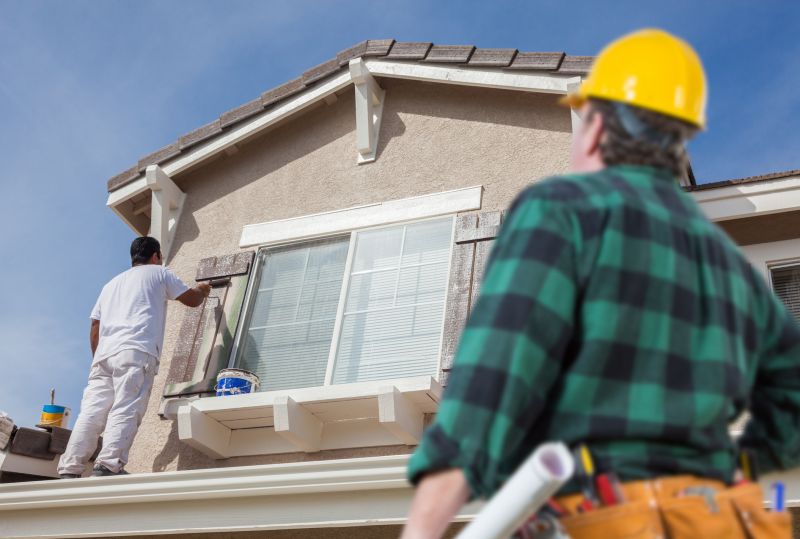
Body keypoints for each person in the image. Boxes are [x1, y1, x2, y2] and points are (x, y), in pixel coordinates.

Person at [401, 29, 800, 538]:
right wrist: (736, 465)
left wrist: (425, 526)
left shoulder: (563, 210)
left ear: (595, 127)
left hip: (600, 515)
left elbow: (495, 382)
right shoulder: (730, 266)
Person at [58, 237, 211, 478]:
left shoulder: (110, 285)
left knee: (91, 413)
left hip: (104, 355)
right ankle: (108, 465)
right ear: (156, 256)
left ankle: (69, 469)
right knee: (126, 406)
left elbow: (95, 326)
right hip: (135, 350)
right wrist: (203, 289)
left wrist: (98, 358)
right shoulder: (158, 272)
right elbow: (191, 300)